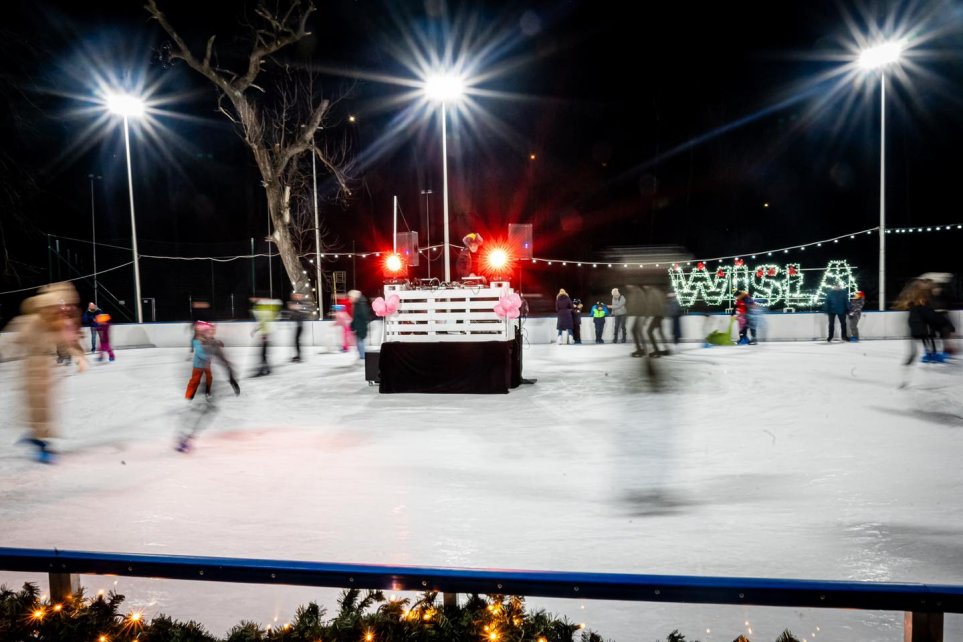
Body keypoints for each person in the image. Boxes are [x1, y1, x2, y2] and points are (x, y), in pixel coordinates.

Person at [14, 282, 87, 463]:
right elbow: (17, 338)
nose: (65, 309)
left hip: (47, 365)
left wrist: (79, 356)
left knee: (46, 407)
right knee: (38, 406)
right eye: (61, 305)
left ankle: (36, 438)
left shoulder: (58, 322)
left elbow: (69, 340)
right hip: (33, 365)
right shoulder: (34, 320)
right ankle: (38, 443)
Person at [251, 298, 281, 376]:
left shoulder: (263, 310)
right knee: (263, 353)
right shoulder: (265, 310)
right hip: (267, 333)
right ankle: (267, 368)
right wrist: (255, 330)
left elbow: (264, 322)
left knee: (262, 353)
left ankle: (264, 369)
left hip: (266, 334)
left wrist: (264, 335)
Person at [348, 289, 370, 360]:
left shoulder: (361, 304)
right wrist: (352, 326)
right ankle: (362, 356)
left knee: (360, 342)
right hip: (359, 326)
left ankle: (363, 356)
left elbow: (364, 316)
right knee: (359, 342)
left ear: (355, 297)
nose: (350, 299)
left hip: (361, 327)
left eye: (350, 297)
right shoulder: (357, 304)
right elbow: (355, 317)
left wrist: (356, 326)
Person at [287, 292, 309, 362]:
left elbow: (302, 312)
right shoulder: (296, 303)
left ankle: (299, 356)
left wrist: (295, 308)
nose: (296, 297)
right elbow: (292, 312)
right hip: (297, 325)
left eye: (298, 296)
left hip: (300, 326)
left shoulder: (301, 303)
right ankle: (298, 355)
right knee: (296, 341)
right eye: (295, 296)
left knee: (297, 341)